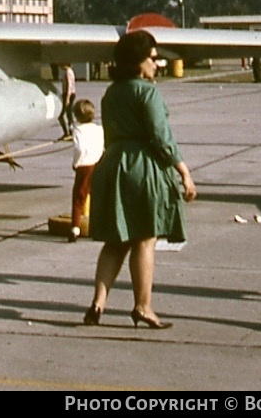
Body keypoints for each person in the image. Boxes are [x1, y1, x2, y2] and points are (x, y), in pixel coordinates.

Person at [84, 29, 197, 329]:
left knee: (115, 240)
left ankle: (98, 302)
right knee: (145, 238)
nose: (157, 65)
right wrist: (183, 171)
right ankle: (142, 306)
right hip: (141, 167)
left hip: (112, 163)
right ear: (138, 62)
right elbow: (161, 137)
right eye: (153, 59)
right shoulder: (147, 92)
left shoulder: (111, 93)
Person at [69, 98, 104, 241]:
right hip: (99, 164)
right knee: (97, 196)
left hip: (84, 166)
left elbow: (78, 149)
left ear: (77, 116)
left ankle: (75, 229)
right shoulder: (99, 129)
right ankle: (99, 227)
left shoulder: (76, 130)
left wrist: (75, 163)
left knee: (79, 198)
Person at [58, 63, 78, 139]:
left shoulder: (68, 72)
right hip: (68, 94)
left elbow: (69, 86)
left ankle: (69, 132)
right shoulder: (68, 71)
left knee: (65, 114)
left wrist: (67, 98)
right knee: (68, 114)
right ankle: (68, 132)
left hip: (68, 94)